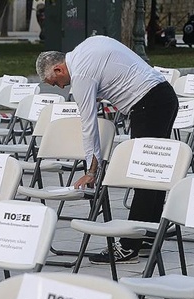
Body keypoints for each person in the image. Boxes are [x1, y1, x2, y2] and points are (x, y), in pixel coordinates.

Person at [35, 36, 178, 264]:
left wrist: (92, 170)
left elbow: (89, 125)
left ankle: (129, 246)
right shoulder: (85, 48)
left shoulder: (80, 75)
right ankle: (148, 235)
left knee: (144, 176)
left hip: (148, 104)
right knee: (154, 175)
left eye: (56, 82)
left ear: (59, 68)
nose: (62, 87)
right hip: (163, 96)